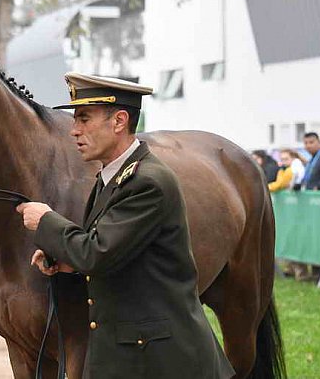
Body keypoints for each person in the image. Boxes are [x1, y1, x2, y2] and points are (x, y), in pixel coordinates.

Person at [16, 72, 235, 379]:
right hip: (135, 353)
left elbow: (97, 252)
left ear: (118, 122)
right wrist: (67, 262)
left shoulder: (147, 182)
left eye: (84, 119)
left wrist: (45, 221)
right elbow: (122, 253)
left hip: (164, 361)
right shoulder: (113, 178)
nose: (74, 131)